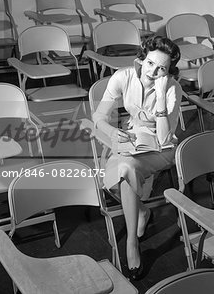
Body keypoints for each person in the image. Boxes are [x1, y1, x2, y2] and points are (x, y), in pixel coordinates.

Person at [92, 35, 182, 279]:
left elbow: (164, 139)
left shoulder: (173, 88)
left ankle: (131, 243)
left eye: (162, 68)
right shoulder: (123, 77)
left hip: (161, 148)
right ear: (141, 59)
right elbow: (98, 118)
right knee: (121, 175)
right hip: (131, 139)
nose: (154, 71)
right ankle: (141, 211)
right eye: (151, 63)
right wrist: (113, 131)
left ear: (168, 71)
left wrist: (162, 97)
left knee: (124, 170)